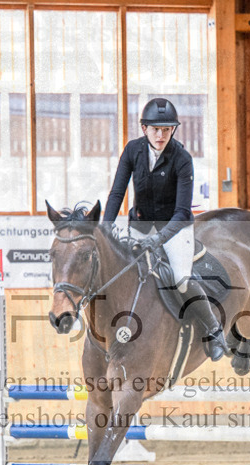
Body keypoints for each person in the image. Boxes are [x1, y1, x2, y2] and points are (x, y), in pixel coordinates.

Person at [102, 98, 226, 362]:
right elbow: (117, 192)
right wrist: (106, 226)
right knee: (123, 275)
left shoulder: (182, 158)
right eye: (155, 129)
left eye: (166, 130)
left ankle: (213, 330)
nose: (160, 135)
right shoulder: (132, 151)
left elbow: (182, 211)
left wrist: (159, 240)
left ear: (173, 130)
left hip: (175, 228)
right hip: (141, 225)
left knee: (180, 279)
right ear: (144, 128)